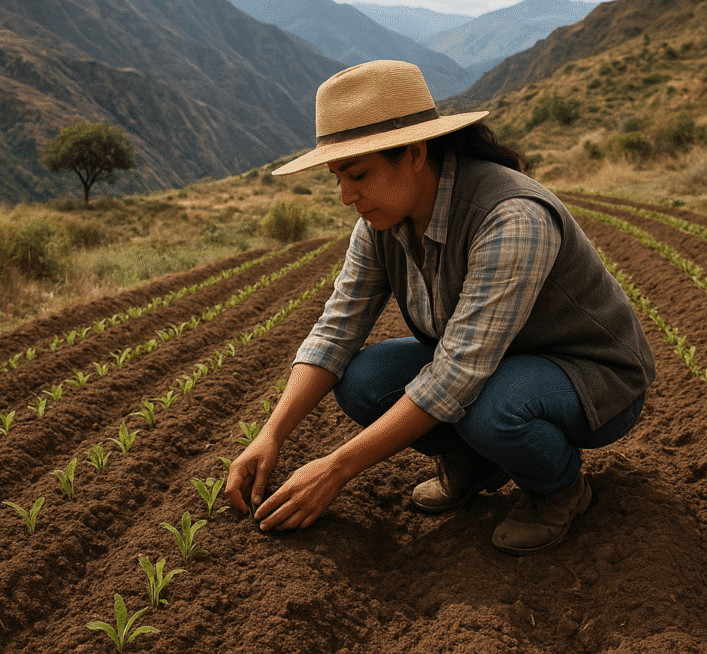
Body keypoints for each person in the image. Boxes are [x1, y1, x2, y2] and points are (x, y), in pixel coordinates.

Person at [224, 59, 655, 554]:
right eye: (337, 177)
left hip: (589, 377)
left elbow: (457, 375)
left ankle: (559, 488)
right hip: (500, 365)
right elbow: (336, 329)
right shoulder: (382, 224)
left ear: (413, 153)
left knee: (490, 411)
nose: (346, 196)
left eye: (358, 174)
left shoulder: (511, 217)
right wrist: (271, 434)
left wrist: (335, 469)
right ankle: (475, 465)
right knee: (363, 379)